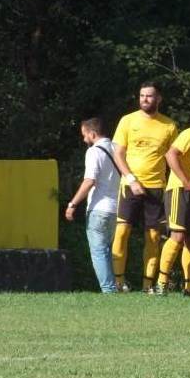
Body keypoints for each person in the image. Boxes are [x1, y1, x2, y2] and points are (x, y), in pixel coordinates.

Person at [111, 82, 178, 292]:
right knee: (122, 231)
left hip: (156, 187)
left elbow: (175, 157)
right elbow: (118, 153)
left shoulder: (169, 125)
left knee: (154, 237)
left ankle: (148, 285)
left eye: (149, 96)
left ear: (159, 99)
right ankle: (118, 282)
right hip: (130, 185)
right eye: (142, 96)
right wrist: (131, 179)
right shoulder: (127, 120)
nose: (145, 99)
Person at [65, 118, 121, 293]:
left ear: (93, 133)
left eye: (85, 135)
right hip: (116, 208)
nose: (84, 139)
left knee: (99, 251)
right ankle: (116, 285)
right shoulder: (118, 148)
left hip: (99, 208)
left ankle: (109, 290)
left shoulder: (94, 151)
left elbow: (90, 180)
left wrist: (73, 203)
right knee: (109, 250)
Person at [156, 113, 190, 295]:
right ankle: (161, 283)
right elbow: (170, 154)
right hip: (180, 189)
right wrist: (185, 180)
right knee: (177, 235)